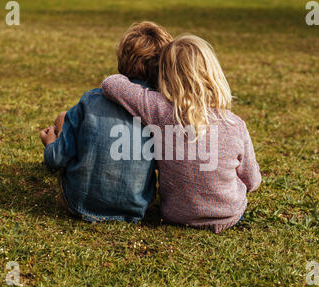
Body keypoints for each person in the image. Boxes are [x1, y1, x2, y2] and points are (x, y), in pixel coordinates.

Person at [101, 35, 261, 233]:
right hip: (228, 215)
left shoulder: (158, 109)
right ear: (214, 74)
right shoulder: (235, 124)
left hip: (175, 215)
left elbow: (111, 83)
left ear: (165, 76)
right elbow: (252, 181)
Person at [39, 21, 172, 223]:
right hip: (136, 208)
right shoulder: (161, 111)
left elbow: (55, 160)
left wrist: (50, 143)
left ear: (122, 60)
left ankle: (60, 130)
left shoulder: (91, 100)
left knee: (64, 118)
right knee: (66, 118)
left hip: (79, 203)